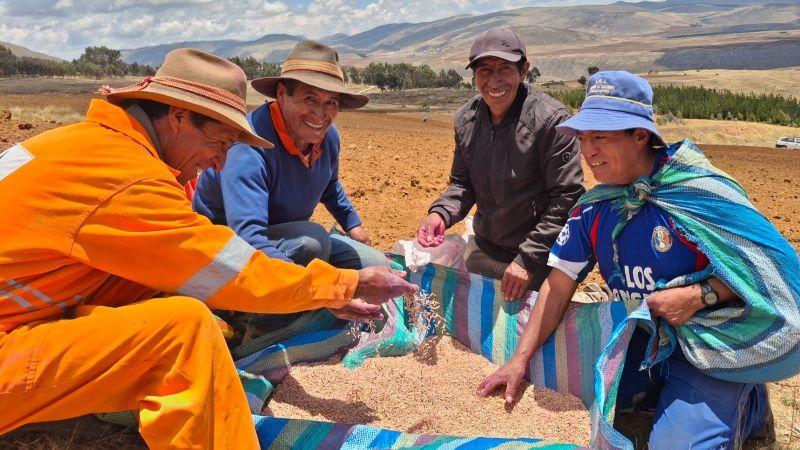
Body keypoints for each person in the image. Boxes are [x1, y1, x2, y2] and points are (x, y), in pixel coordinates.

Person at [0, 48, 415, 449]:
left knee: (183, 305)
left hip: (24, 313)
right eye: (219, 143)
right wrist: (340, 286)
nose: (219, 164)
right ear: (179, 117)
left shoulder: (83, 146)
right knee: (184, 333)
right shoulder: (128, 179)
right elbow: (232, 266)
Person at [476, 71, 793, 449]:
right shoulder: (596, 209)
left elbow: (769, 275)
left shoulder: (700, 194)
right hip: (643, 340)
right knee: (560, 380)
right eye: (583, 139)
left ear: (640, 136)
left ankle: (749, 399)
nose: (587, 152)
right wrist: (519, 360)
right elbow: (557, 286)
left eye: (600, 138)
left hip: (710, 342)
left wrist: (699, 296)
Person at [194, 40, 389, 340]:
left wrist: (353, 225)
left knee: (375, 264)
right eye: (310, 99)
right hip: (229, 256)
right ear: (282, 94)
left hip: (286, 238)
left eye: (330, 103)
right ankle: (257, 332)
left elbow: (329, 186)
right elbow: (248, 239)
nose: (320, 114)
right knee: (312, 243)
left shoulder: (326, 137)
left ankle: (303, 304)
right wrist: (324, 292)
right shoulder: (250, 146)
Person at [417, 27, 584, 300]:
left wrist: (528, 259)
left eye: (504, 69)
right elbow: (462, 183)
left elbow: (567, 198)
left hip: (537, 259)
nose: (494, 82)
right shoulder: (467, 120)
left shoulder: (550, 121)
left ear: (523, 71)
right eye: (484, 70)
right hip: (485, 250)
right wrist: (440, 214)